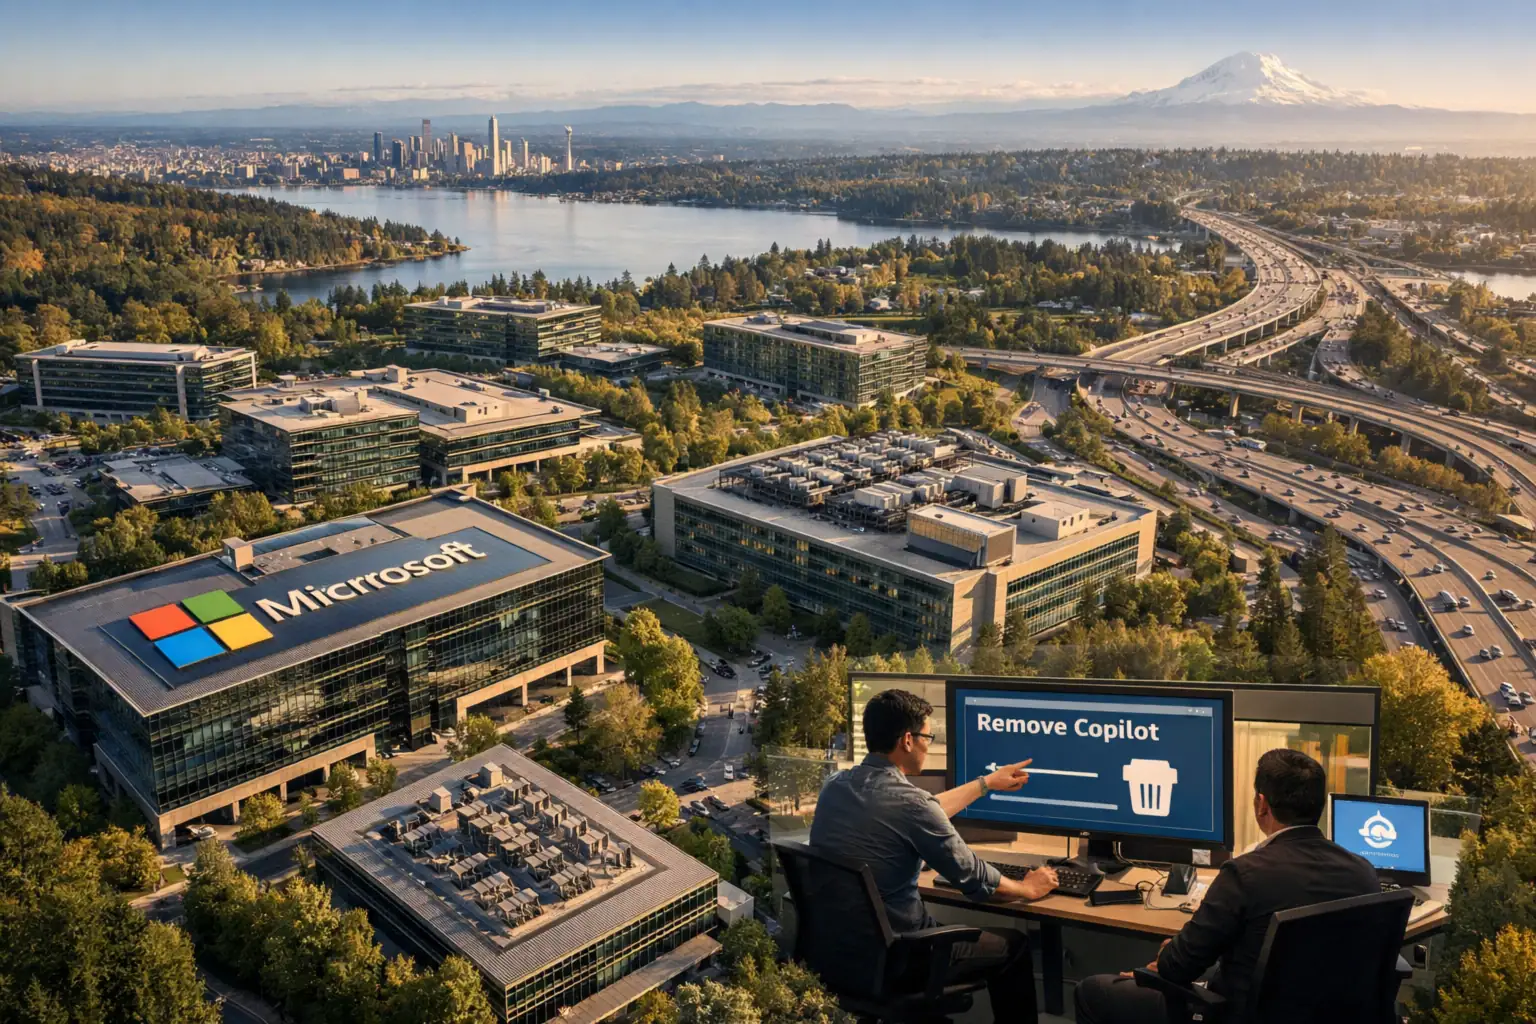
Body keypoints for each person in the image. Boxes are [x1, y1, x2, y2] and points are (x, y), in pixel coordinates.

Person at [1074, 748, 1379, 1024]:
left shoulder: (1246, 873)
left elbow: (1179, 967)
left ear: (1261, 805)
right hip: (1331, 1015)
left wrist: (1166, 957)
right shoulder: (1363, 873)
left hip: (1237, 1013)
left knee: (1094, 991)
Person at [810, 688, 1059, 1023]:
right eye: (928, 736)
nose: (930, 744)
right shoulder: (911, 805)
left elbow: (926, 812)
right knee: (1013, 946)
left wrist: (985, 784)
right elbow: (975, 879)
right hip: (903, 957)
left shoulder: (835, 787)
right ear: (908, 740)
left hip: (840, 954)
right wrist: (1027, 889)